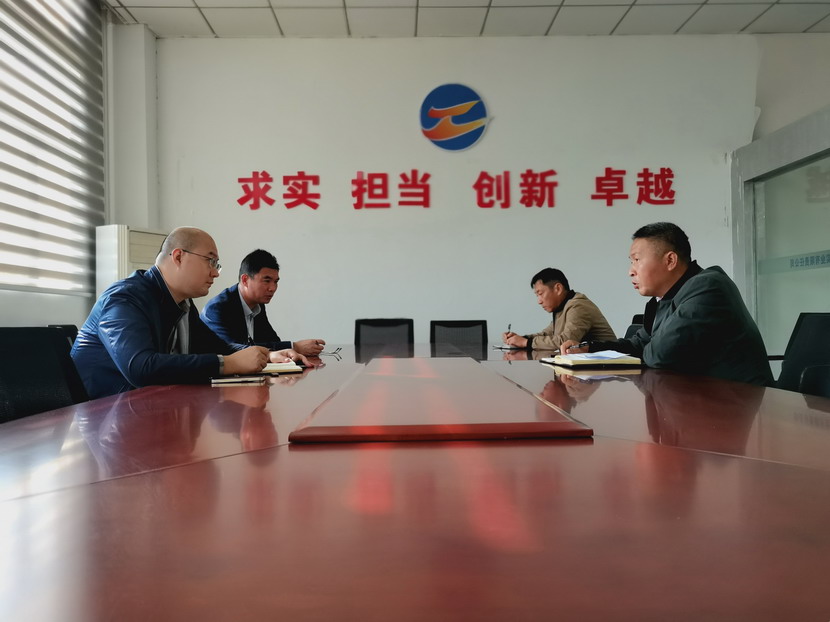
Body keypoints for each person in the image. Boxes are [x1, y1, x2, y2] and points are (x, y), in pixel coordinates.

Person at [71, 227, 309, 399]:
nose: (215, 273)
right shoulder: (125, 298)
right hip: (98, 419)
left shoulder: (183, 304)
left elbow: (218, 346)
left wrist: (267, 355)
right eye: (211, 262)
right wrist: (227, 364)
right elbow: (140, 367)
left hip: (145, 410)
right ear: (178, 256)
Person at [561, 222, 773, 387]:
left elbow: (660, 355)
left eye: (637, 260)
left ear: (670, 260)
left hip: (738, 404)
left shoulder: (708, 287)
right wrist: (590, 348)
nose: (631, 271)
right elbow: (639, 345)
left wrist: (645, 348)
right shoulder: (666, 298)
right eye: (631, 261)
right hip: (699, 399)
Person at [200, 249, 325, 357]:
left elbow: (272, 341)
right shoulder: (218, 308)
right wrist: (294, 347)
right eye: (267, 281)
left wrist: (292, 349)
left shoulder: (257, 304)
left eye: (276, 282)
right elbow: (235, 350)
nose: (273, 288)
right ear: (245, 280)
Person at [502, 267, 617, 350]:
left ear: (558, 288)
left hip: (608, 367)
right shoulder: (561, 308)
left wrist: (526, 342)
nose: (539, 301)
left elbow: (565, 341)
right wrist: (520, 338)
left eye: (540, 294)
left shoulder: (578, 306)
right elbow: (547, 334)